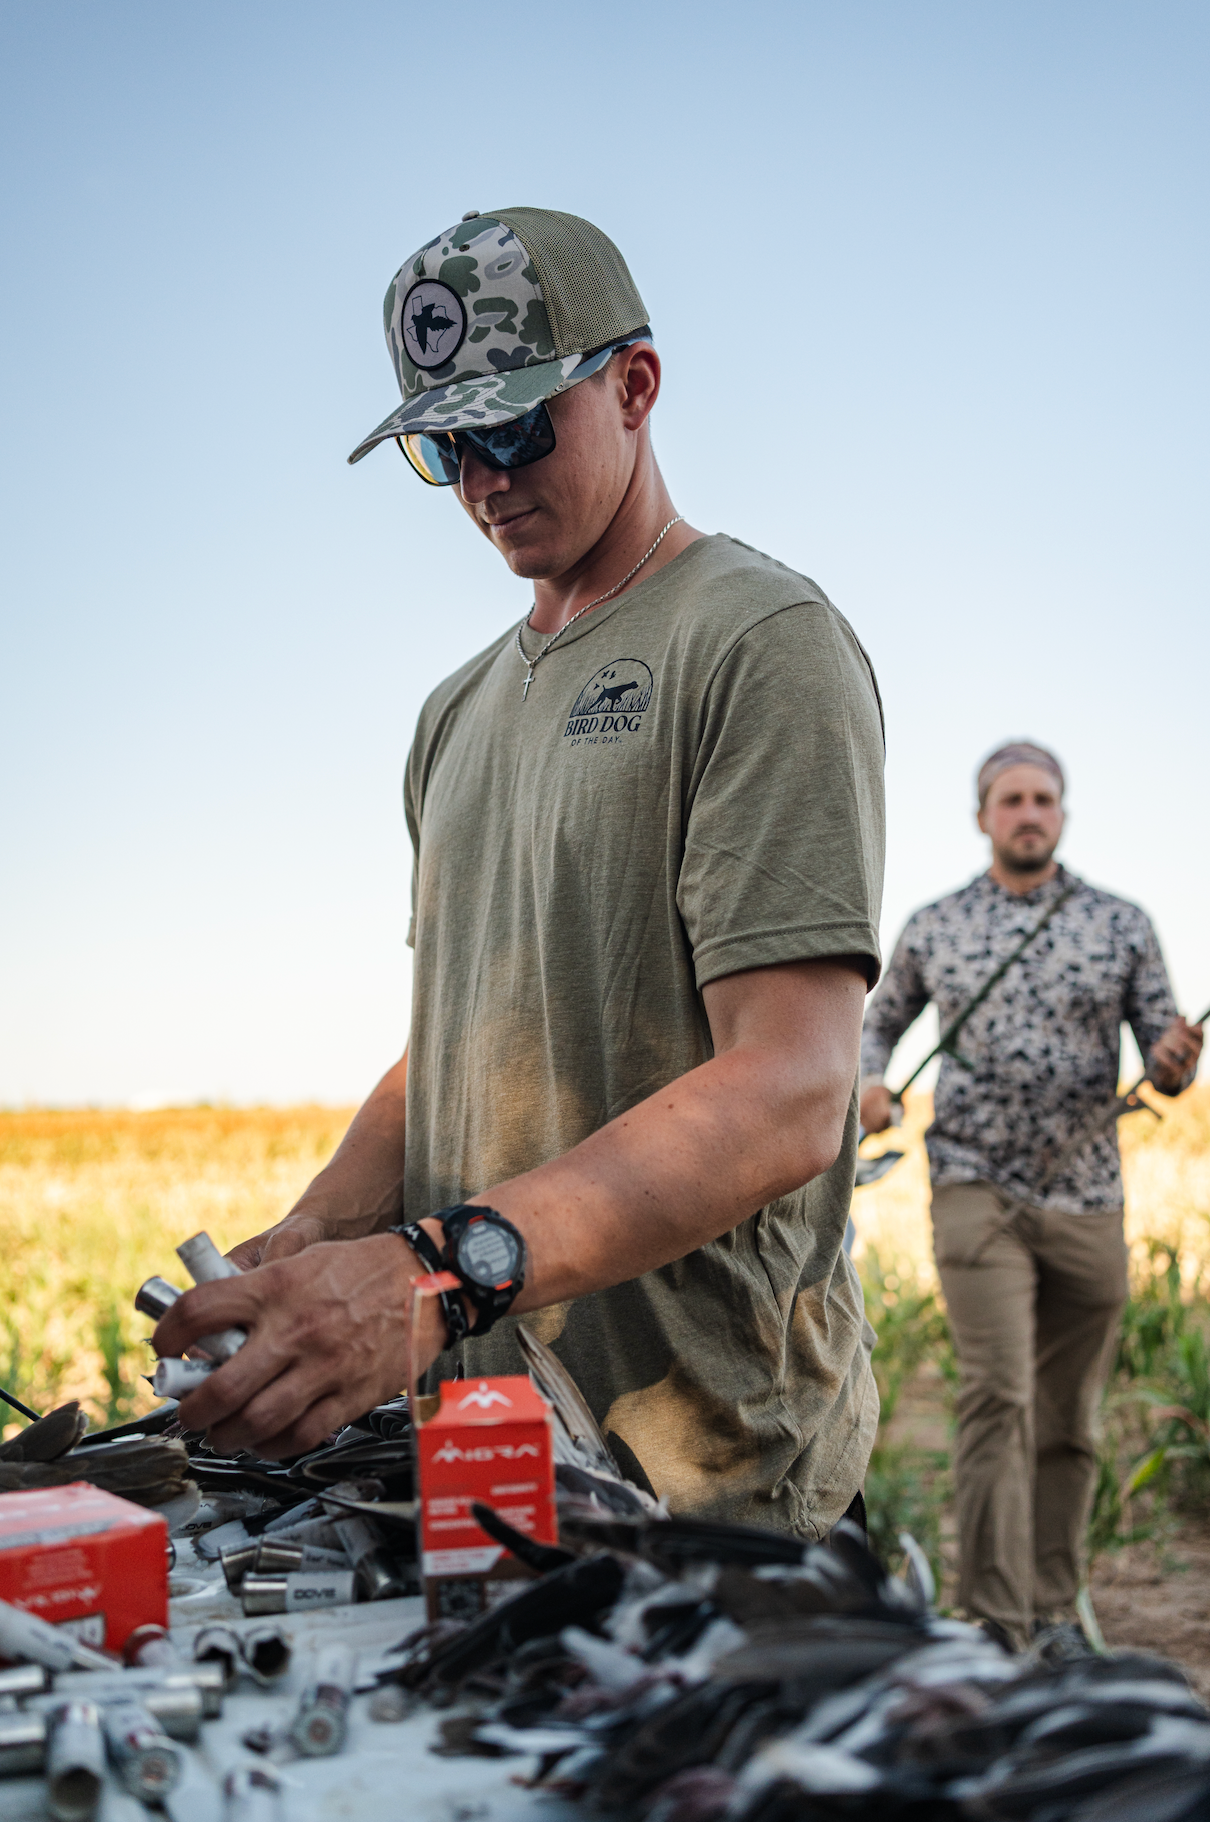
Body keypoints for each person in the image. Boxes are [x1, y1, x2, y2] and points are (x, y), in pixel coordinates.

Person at [156, 206, 887, 1537]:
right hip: (490, 1448)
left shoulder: (757, 641)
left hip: (706, 1465)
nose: (483, 477)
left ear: (635, 384)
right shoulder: (453, 713)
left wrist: (433, 1273)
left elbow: (790, 1085)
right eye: (444, 446)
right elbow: (457, 1032)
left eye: (512, 426)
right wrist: (320, 1230)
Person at [861, 740, 1203, 1646]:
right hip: (975, 1185)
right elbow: (875, 1027)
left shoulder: (1122, 923)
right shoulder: (936, 925)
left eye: (1043, 798)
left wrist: (1173, 1063)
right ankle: (997, 1624)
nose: (1028, 812)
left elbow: (1165, 1062)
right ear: (982, 817)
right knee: (995, 1398)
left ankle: (1055, 1607)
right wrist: (869, 1086)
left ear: (1062, 813)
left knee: (1068, 1420)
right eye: (1009, 799)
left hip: (1091, 1195)